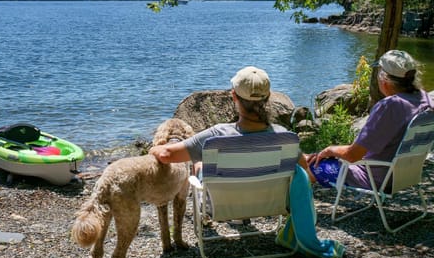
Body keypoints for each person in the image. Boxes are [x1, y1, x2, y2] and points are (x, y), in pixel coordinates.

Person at [304, 50, 433, 190]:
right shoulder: (425, 100)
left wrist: (329, 150)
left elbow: (352, 155)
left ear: (384, 80)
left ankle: (294, 207)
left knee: (310, 164)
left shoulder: (390, 107)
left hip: (375, 178)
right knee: (311, 158)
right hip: (405, 176)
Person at [149, 66, 308, 175]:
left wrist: (154, 149)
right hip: (272, 203)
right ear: (268, 97)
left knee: (199, 163)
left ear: (234, 96)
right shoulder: (285, 137)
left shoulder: (217, 135)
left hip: (223, 206)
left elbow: (166, 155)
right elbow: (306, 171)